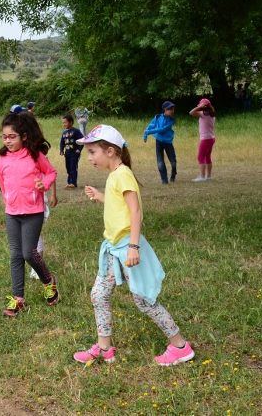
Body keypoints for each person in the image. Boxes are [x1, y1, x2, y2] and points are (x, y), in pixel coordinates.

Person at [73, 125, 194, 366]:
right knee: (99, 295)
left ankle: (180, 346)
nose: (89, 158)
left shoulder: (123, 174)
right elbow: (119, 205)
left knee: (144, 300)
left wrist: (134, 248)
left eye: (92, 152)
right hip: (112, 247)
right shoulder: (114, 175)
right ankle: (104, 349)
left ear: (109, 151)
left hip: (127, 247)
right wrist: (100, 196)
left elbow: (135, 211)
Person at [0, 112, 60, 316]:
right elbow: (2, 182)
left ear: (23, 136)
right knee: (15, 255)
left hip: (33, 211)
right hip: (12, 213)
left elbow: (51, 172)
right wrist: (8, 198)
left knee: (29, 253)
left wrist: (45, 184)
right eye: (4, 136)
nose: (7, 141)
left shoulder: (35, 155)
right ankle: (18, 299)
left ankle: (49, 282)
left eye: (12, 136)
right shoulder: (2, 159)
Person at [143, 101, 177, 184]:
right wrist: (145, 135)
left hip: (168, 143)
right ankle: (164, 179)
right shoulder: (157, 117)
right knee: (160, 161)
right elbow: (151, 125)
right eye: (170, 109)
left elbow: (162, 130)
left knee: (173, 161)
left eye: (173, 109)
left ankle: (173, 173)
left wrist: (148, 132)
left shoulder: (171, 120)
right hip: (159, 141)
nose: (172, 111)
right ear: (165, 110)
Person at [189, 98, 216, 182]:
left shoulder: (203, 114)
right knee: (207, 156)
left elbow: (191, 112)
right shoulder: (212, 114)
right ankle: (208, 176)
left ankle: (202, 177)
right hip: (211, 138)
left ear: (203, 107)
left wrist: (199, 107)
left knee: (201, 157)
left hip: (205, 138)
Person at [59, 114, 84, 189]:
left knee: (73, 167)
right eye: (63, 123)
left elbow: (82, 141)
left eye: (65, 122)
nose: (64, 124)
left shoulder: (76, 131)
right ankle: (70, 182)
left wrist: (79, 149)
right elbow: (62, 142)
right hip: (67, 153)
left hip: (74, 153)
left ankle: (72, 183)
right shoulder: (64, 133)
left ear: (71, 122)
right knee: (68, 168)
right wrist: (61, 150)